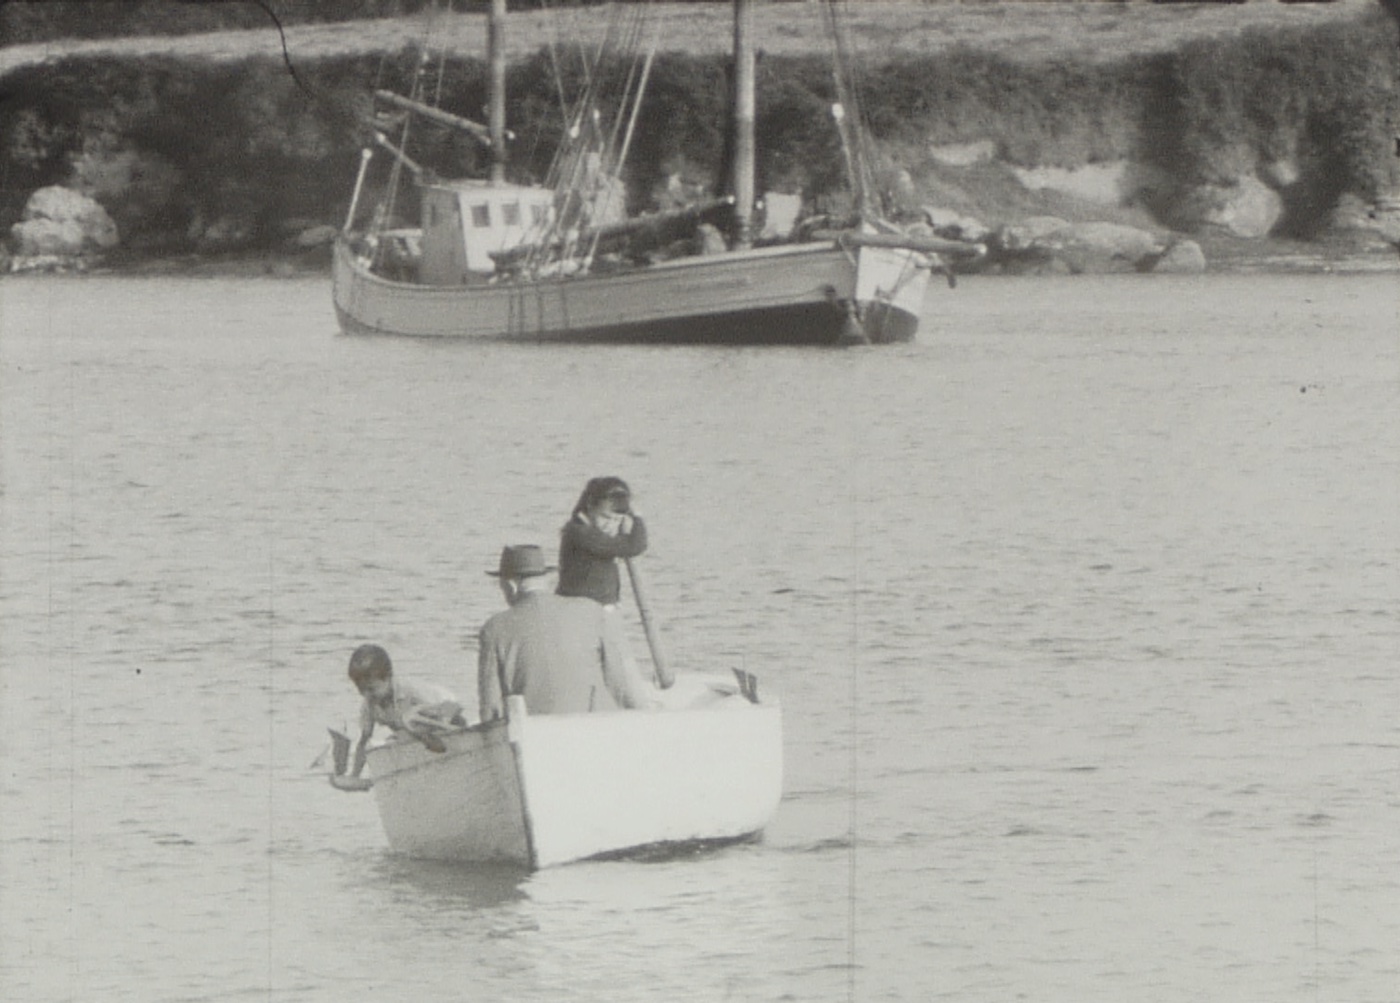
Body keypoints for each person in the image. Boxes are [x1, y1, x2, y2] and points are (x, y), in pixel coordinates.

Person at [477, 544, 658, 721]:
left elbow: (491, 710)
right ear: (546, 580)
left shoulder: (494, 629)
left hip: (534, 734)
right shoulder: (591, 611)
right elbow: (622, 686)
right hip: (590, 729)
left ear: (511, 585)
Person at [346, 643, 465, 778]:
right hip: (419, 731)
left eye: (371, 689)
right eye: (361, 690)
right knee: (396, 738)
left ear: (388, 678)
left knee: (409, 720)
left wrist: (449, 732)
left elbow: (450, 708)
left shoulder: (410, 691)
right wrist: (354, 775)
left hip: (447, 714)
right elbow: (363, 741)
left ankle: (447, 751)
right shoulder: (369, 704)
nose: (366, 695)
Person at [556, 476, 647, 607]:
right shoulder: (579, 532)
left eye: (617, 520)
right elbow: (635, 545)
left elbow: (628, 543)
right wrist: (637, 517)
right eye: (605, 518)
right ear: (590, 507)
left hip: (600, 606)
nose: (609, 525)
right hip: (579, 608)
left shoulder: (601, 535)